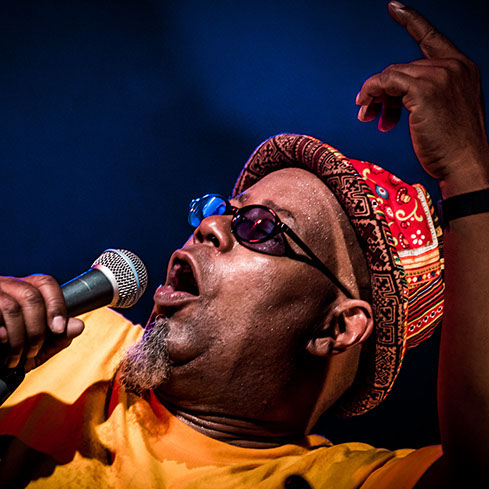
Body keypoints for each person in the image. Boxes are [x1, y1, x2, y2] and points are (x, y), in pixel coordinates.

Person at [0, 1, 488, 487]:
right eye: (221, 209)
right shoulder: (68, 343)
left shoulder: (343, 480)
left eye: (260, 226)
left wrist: (466, 168)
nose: (211, 227)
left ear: (336, 327)